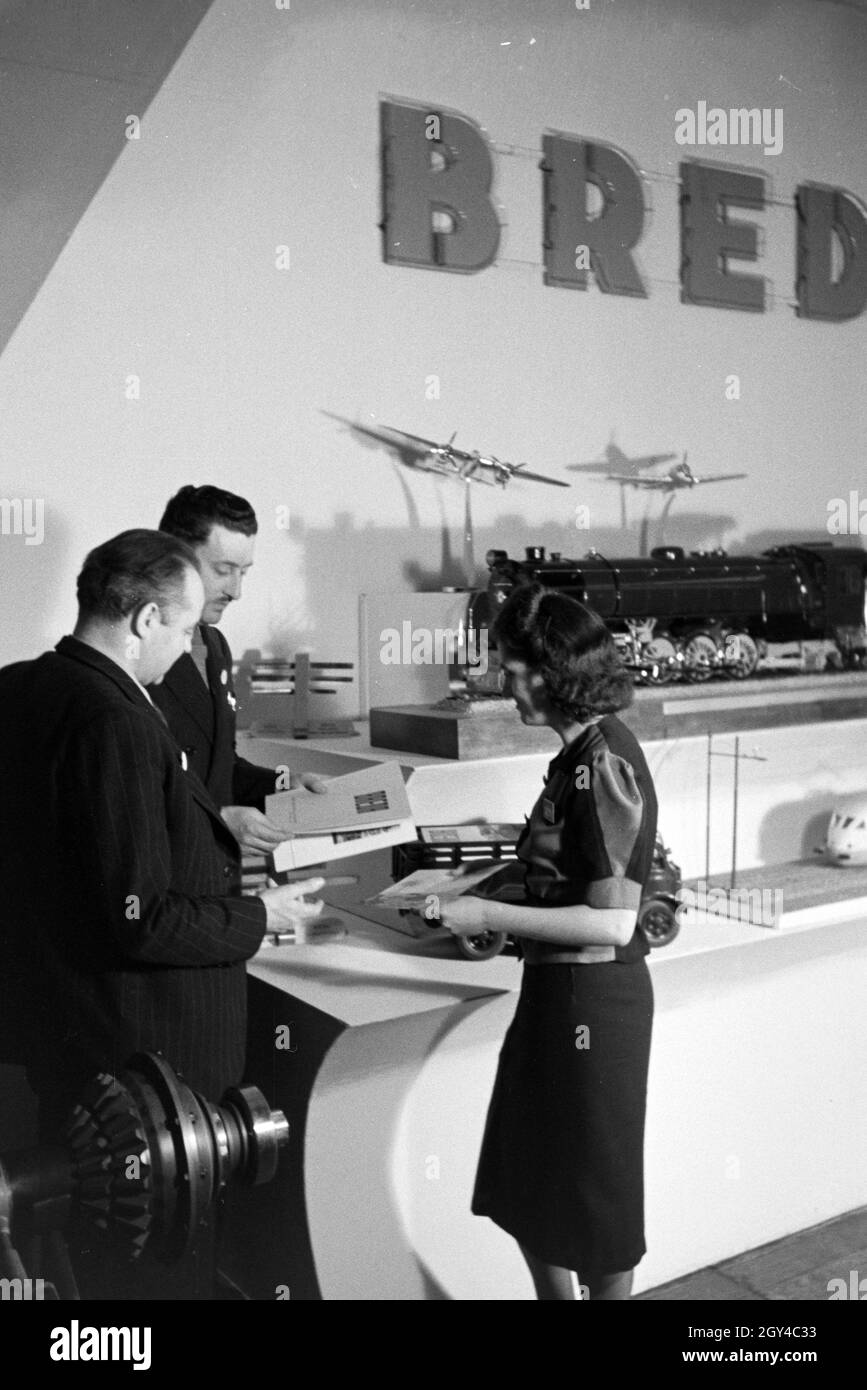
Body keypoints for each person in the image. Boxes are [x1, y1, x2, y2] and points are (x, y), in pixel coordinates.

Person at [0, 528, 324, 1141]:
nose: (184, 652)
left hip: (67, 1036)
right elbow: (138, 917)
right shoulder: (116, 721)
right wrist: (262, 916)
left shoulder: (20, 685)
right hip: (146, 1064)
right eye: (182, 632)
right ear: (148, 619)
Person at [438, 582, 657, 1301]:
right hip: (556, 997)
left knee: (595, 1205)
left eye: (509, 667)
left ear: (550, 671)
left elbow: (611, 923)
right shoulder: (576, 755)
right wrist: (490, 887)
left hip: (594, 1001)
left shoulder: (604, 765)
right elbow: (565, 872)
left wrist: (485, 917)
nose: (501, 682)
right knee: (528, 1178)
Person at [151, 484, 324, 855]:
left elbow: (219, 767)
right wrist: (219, 819)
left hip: (212, 879)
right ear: (173, 558)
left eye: (243, 572)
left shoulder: (213, 646)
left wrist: (281, 783)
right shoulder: (139, 652)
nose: (236, 591)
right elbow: (132, 791)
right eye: (223, 570)